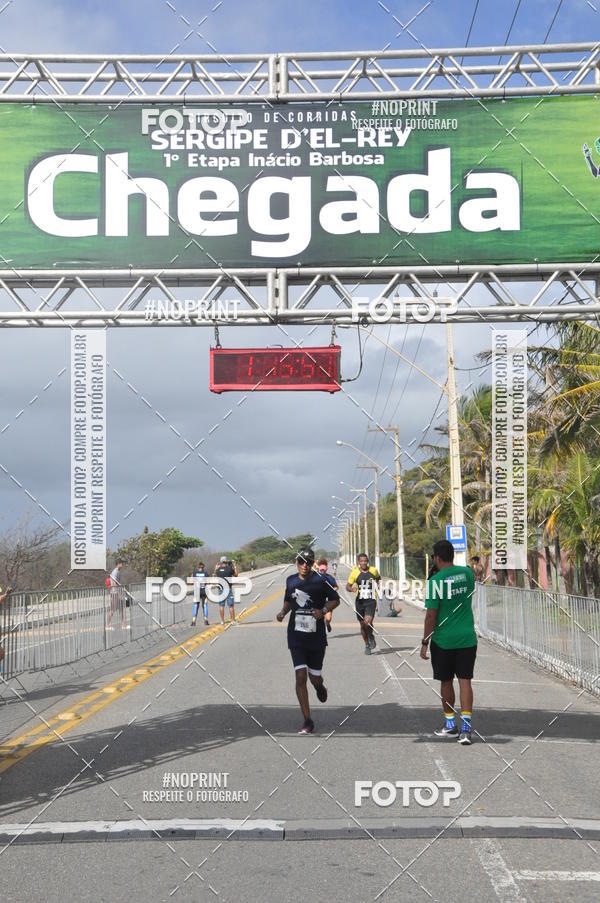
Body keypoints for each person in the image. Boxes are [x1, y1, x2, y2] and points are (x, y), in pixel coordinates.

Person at [420, 539, 477, 746]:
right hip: (467, 637)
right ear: (452, 555)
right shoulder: (468, 574)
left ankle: (450, 724)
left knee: (446, 682)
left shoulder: (435, 581)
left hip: (443, 640)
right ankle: (467, 729)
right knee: (465, 681)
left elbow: (430, 616)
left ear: (436, 558)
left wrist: (425, 642)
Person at [277, 548, 339, 734]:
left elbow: (335, 599)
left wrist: (324, 610)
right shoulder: (291, 580)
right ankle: (307, 720)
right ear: (296, 561)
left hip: (316, 637)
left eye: (308, 562)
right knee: (300, 676)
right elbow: (289, 600)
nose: (304, 565)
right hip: (296, 635)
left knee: (314, 678)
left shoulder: (321, 581)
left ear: (312, 563)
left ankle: (320, 687)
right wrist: (282, 612)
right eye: (301, 561)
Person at [346, 553, 381, 655]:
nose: (363, 563)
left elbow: (379, 578)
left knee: (367, 622)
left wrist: (378, 585)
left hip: (371, 600)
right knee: (362, 625)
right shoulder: (354, 573)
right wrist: (352, 589)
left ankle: (370, 636)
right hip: (360, 601)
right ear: (358, 562)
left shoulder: (373, 570)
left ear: (367, 561)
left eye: (365, 561)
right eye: (361, 561)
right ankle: (367, 644)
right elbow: (347, 586)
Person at [214, 556, 238, 625]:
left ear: (221, 562)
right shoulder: (229, 569)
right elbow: (236, 575)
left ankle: (222, 621)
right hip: (228, 588)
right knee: (231, 605)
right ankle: (233, 620)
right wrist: (234, 566)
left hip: (221, 589)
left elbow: (215, 574)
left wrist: (216, 568)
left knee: (221, 606)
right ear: (226, 561)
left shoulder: (218, 570)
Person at [317, 558, 338, 633]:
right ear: (318, 568)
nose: (322, 572)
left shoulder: (330, 578)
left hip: (328, 601)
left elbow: (336, 586)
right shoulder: (314, 577)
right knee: (317, 617)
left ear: (326, 569)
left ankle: (327, 623)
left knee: (328, 618)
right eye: (321, 570)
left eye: (324, 570)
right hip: (317, 601)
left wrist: (334, 589)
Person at [107, 559, 127, 630]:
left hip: (117, 592)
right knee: (112, 609)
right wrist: (119, 594)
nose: (122, 565)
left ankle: (122, 624)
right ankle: (107, 625)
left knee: (121, 609)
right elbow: (114, 583)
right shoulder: (115, 572)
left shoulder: (118, 571)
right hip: (114, 593)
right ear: (118, 564)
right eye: (121, 563)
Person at [190, 561, 210, 626]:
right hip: (204, 591)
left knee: (195, 606)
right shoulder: (206, 573)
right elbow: (208, 582)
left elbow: (191, 581)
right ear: (203, 567)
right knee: (205, 605)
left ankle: (193, 621)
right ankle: (206, 620)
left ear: (198, 567)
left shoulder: (195, 573)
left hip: (196, 591)